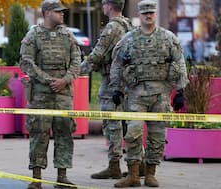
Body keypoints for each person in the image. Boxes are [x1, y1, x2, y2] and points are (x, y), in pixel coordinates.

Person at [109, 0, 189, 187]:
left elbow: (180, 63)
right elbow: (117, 65)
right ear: (140, 14)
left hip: (161, 94)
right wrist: (117, 89)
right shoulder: (128, 39)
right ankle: (134, 175)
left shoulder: (168, 38)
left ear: (155, 14)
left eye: (151, 13)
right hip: (136, 94)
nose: (148, 16)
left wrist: (180, 90)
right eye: (145, 13)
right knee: (133, 133)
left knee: (158, 135)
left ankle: (151, 173)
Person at [19, 0, 81, 188]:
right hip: (40, 94)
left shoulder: (68, 35)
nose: (62, 14)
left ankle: (62, 177)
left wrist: (66, 79)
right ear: (46, 13)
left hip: (63, 94)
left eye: (62, 12)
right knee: (39, 134)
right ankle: (36, 178)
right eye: (58, 12)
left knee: (64, 134)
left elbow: (77, 60)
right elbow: (26, 62)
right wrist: (47, 80)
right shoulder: (33, 35)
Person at [80, 0, 133, 180]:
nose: (102, 7)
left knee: (112, 124)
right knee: (128, 124)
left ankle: (114, 165)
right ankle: (138, 164)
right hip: (127, 82)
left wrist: (74, 73)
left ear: (109, 6)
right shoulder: (129, 25)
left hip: (112, 82)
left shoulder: (112, 28)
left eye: (104, 4)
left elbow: (97, 55)